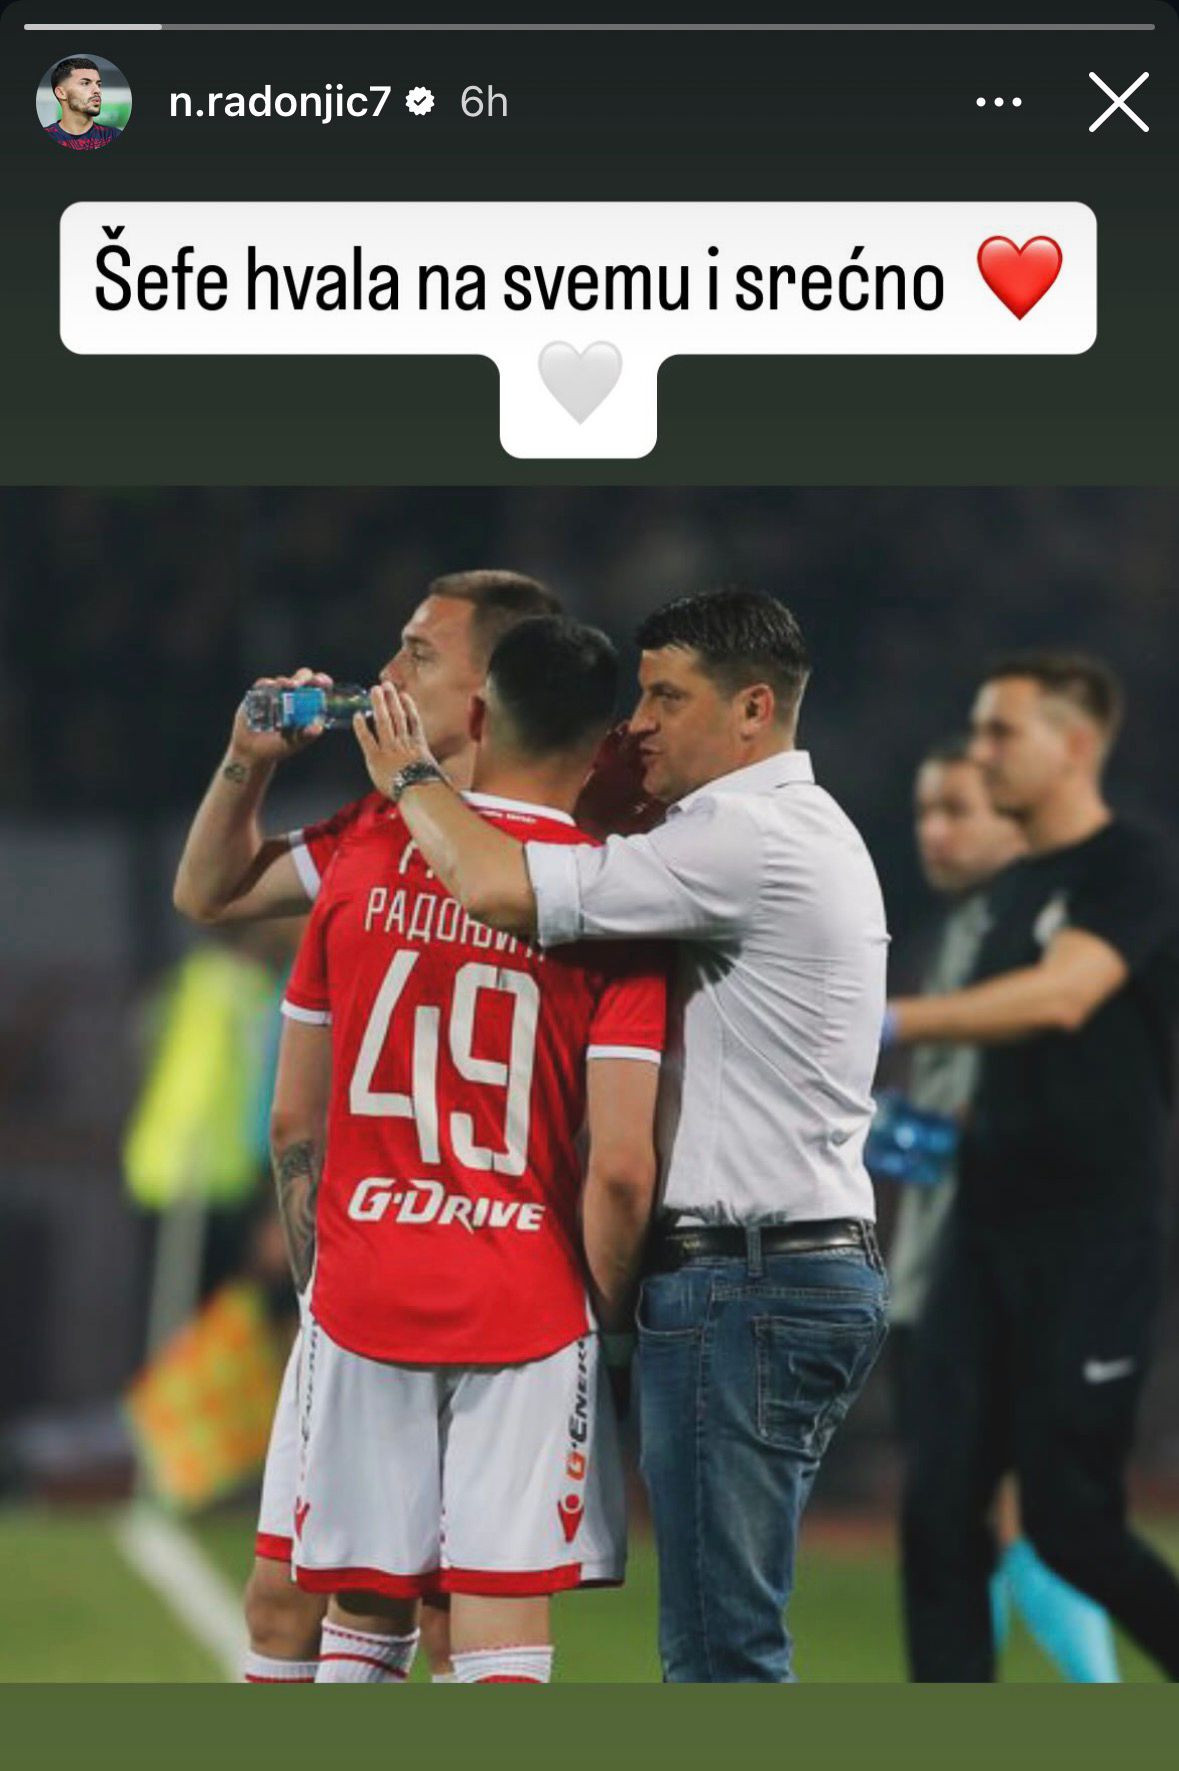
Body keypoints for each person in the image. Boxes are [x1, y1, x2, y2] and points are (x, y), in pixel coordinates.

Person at [352, 586, 890, 1683]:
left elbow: (499, 885)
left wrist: (409, 775)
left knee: (721, 1655)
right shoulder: (793, 827)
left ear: (752, 709)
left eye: (666, 697)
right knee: (725, 1638)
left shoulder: (742, 838)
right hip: (792, 1268)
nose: (636, 722)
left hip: (746, 1280)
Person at [172, 569, 561, 1684]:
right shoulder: (371, 831)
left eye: (418, 656)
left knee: (439, 1615)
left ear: (490, 694)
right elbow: (208, 892)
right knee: (300, 1597)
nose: (384, 675)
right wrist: (247, 759)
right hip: (377, 1278)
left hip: (494, 1288)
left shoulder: (569, 857)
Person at [284, 616, 666, 1684]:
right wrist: (613, 1324)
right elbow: (621, 1165)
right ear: (604, 743)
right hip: (524, 1293)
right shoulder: (618, 900)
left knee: (364, 1608)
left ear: (481, 715)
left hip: (365, 1278)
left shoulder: (364, 858)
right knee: (499, 1614)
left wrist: (322, 1281)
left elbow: (290, 1124)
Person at [886, 652, 1179, 1681]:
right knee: (937, 1510)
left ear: (1076, 743)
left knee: (1070, 1523)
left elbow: (1064, 996)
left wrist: (887, 1021)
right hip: (982, 1230)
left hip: (1092, 1240)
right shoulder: (1012, 895)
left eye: (1001, 731)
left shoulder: (1131, 865)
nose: (982, 751)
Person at [43, 58, 122, 151]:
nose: (97, 90)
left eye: (98, 84)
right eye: (85, 83)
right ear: (61, 93)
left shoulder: (112, 136)